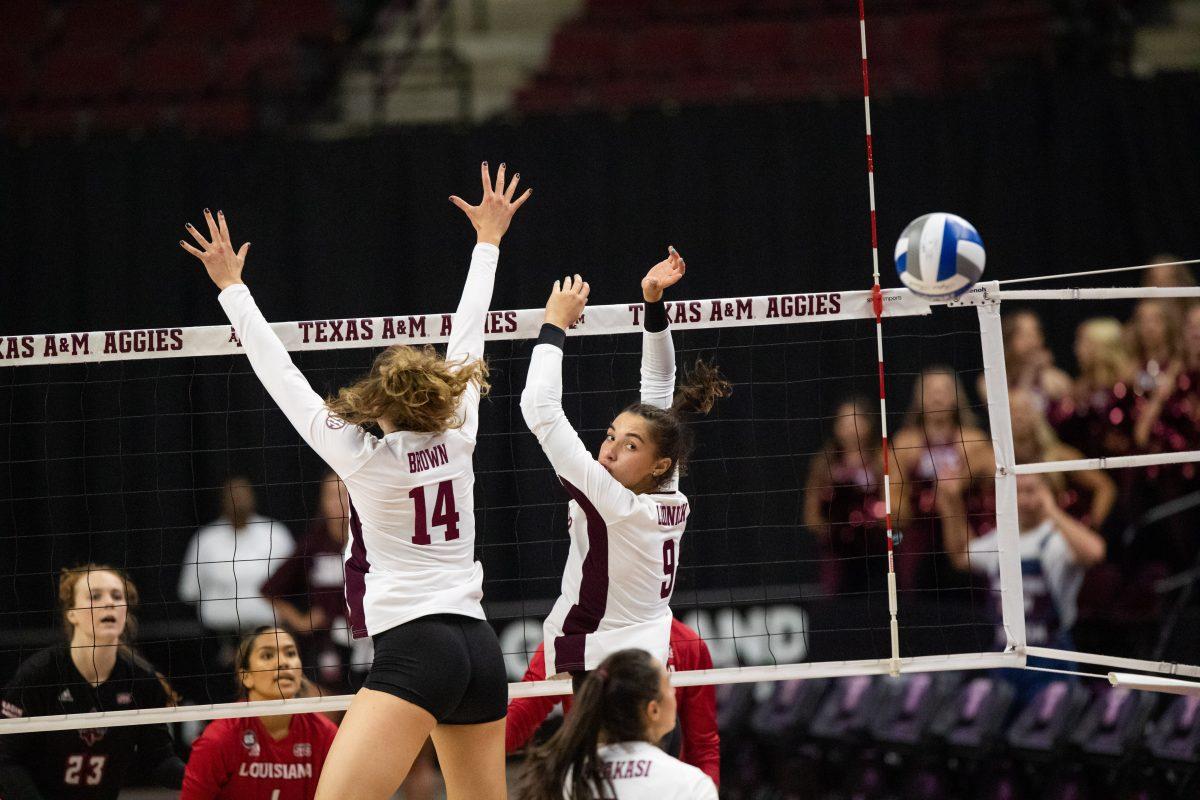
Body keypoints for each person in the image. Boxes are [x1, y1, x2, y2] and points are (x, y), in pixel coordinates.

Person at [179, 161, 530, 800]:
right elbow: (468, 337)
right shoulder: (462, 437)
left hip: (417, 649)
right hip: (479, 648)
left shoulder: (365, 460)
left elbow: (281, 376)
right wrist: (488, 243)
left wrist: (231, 286)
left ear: (380, 407)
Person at [520, 257, 730, 681]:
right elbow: (659, 380)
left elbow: (539, 408)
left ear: (659, 464)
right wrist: (653, 302)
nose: (611, 451)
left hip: (603, 664)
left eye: (629, 445)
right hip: (646, 662)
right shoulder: (667, 491)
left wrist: (555, 323)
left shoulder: (614, 502)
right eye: (611, 435)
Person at [0, 564, 184, 800]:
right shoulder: (39, 674)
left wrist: (203, 775)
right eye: (95, 596)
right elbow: (6, 759)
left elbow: (160, 761)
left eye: (117, 596)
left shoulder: (141, 681)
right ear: (72, 613)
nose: (109, 602)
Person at [940, 473, 1106, 701]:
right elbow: (961, 555)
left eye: (1032, 490)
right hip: (1006, 654)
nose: (1025, 499)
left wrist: (1051, 511)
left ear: (1048, 494)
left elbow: (1095, 553)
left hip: (1049, 657)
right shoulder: (1002, 538)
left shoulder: (1057, 540)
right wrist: (951, 501)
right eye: (1018, 491)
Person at [505, 616, 719, 786]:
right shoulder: (568, 643)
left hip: (658, 784)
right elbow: (514, 726)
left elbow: (703, 746)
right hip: (591, 783)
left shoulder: (687, 644)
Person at [181, 627, 339, 799]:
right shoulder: (220, 737)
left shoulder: (324, 735)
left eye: (291, 653)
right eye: (267, 655)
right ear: (246, 676)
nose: (283, 662)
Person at [891, 366, 994, 591]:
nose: (937, 397)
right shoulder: (904, 444)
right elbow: (894, 499)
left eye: (944, 390)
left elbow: (990, 491)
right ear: (918, 398)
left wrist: (954, 486)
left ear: (957, 397)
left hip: (964, 532)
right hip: (920, 539)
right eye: (930, 391)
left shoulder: (974, 440)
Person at [261, 472, 359, 691]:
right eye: (331, 496)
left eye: (344, 494)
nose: (338, 502)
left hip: (368, 644)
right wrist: (299, 620)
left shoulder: (369, 541)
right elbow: (269, 589)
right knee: (328, 708)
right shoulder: (313, 544)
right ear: (323, 502)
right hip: (325, 646)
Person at [803, 395, 896, 598]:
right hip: (837, 551)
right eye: (843, 421)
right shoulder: (824, 462)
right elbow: (811, 515)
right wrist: (835, 531)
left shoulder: (882, 459)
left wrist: (873, 523)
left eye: (855, 420)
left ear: (868, 424)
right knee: (838, 602)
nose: (850, 427)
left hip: (875, 548)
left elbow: (897, 505)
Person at [179, 475, 295, 636]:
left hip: (270, 634)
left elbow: (295, 585)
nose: (238, 500)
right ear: (223, 500)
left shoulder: (276, 534)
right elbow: (189, 591)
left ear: (253, 497)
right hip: (219, 638)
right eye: (233, 495)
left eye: (243, 494)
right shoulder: (205, 540)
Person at [1009, 388, 1116, 529]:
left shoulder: (1059, 455)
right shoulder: (995, 462)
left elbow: (1105, 487)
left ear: (1036, 415)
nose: (1018, 417)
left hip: (1062, 536)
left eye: (1024, 410)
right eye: (1012, 411)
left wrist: (1090, 528)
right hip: (1020, 537)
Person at [1047, 317, 1135, 460]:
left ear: (1101, 346)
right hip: (1082, 460)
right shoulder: (1080, 386)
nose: (1076, 348)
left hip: (1117, 462)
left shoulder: (1124, 384)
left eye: (1083, 342)